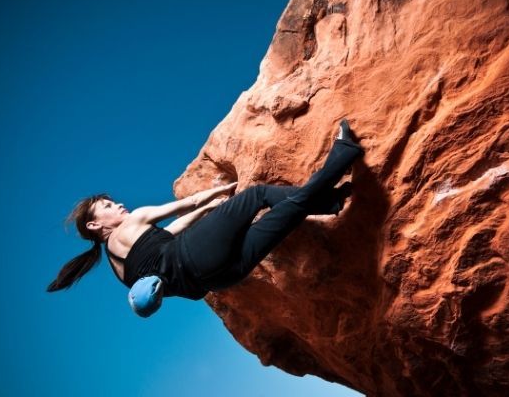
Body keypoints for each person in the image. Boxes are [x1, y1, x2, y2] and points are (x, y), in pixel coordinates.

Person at [47, 119, 364, 316]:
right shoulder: (133, 221)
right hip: (195, 255)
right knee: (256, 196)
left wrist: (209, 210)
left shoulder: (120, 270)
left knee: (284, 217)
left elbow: (175, 229)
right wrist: (215, 194)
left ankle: (331, 201)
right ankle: (342, 156)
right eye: (106, 206)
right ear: (94, 225)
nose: (116, 205)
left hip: (218, 279)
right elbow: (183, 208)